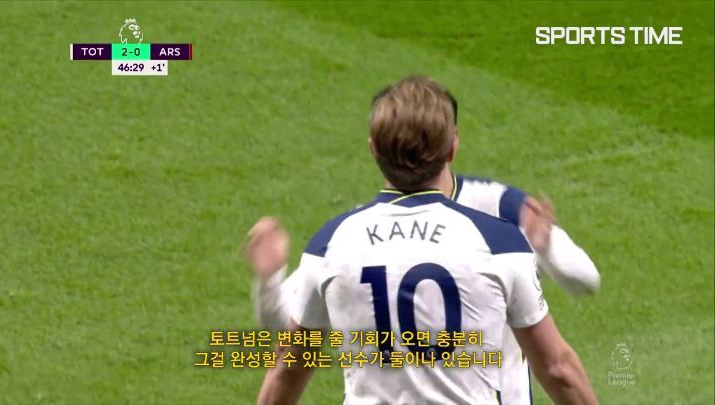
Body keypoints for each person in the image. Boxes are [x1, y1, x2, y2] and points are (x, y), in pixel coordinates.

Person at [247, 77, 600, 404]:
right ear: (451, 148)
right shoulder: (499, 243)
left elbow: (290, 366)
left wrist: (269, 281)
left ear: (373, 150)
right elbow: (558, 369)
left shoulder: (332, 244)